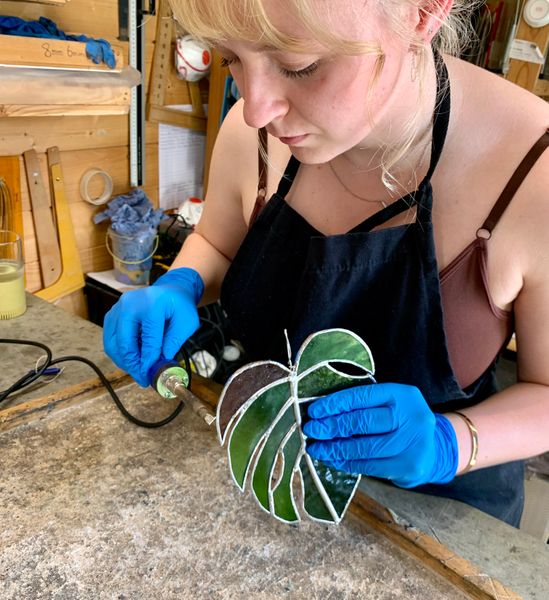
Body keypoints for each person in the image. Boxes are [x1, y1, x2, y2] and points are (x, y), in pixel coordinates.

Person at [103, 0, 549, 527]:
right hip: (276, 480)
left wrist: (449, 445)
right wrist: (181, 281)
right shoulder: (255, 135)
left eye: (298, 65)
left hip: (438, 520)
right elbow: (219, 243)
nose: (254, 110)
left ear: (423, 12)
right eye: (231, 60)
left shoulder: (533, 171)